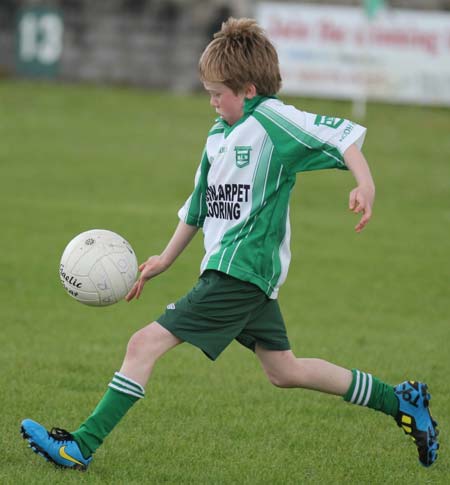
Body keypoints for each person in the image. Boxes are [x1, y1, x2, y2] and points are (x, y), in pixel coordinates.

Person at [21, 17, 439, 470]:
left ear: (250, 89)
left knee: (143, 344)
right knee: (285, 370)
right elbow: (198, 206)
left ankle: (79, 446)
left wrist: (366, 185)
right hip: (239, 275)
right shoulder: (217, 136)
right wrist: (164, 257)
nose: (214, 102)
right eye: (209, 93)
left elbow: (341, 136)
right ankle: (400, 401)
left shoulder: (274, 119)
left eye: (219, 93)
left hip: (238, 273)